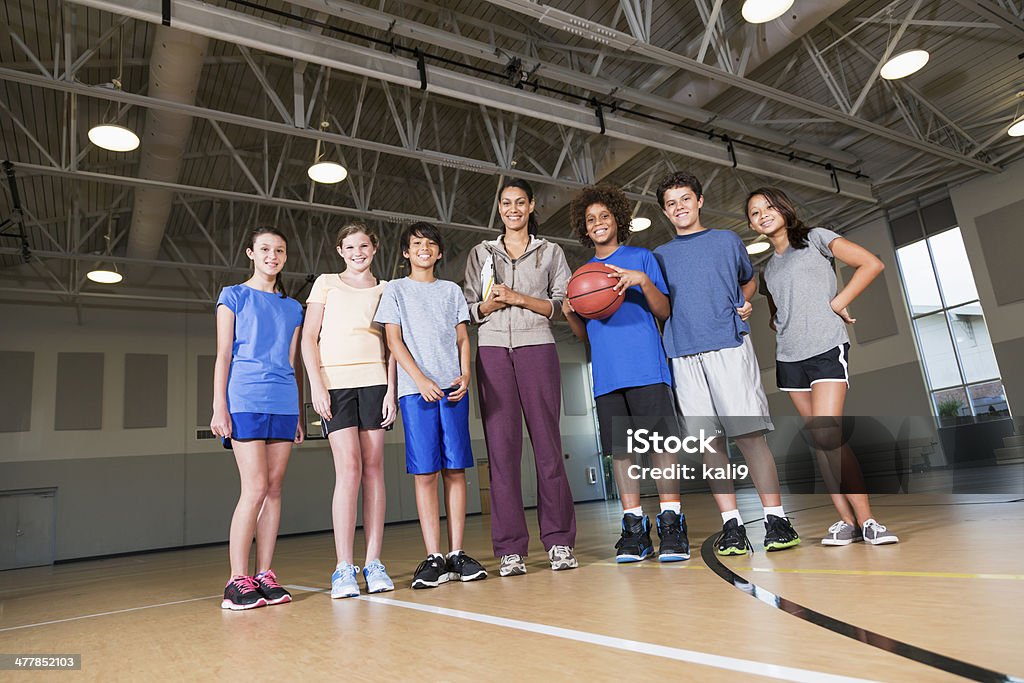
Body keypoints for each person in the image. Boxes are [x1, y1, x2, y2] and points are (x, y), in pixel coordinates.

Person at [653, 171, 800, 556]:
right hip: (683, 354)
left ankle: (777, 520)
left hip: (728, 348)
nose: (679, 207)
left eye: (685, 199)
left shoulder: (726, 241)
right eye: (671, 203)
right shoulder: (660, 257)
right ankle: (731, 526)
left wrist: (746, 302)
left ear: (699, 201)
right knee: (710, 443)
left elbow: (748, 281)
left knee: (749, 437)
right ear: (666, 212)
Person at [746, 187, 898, 546]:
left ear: (784, 207)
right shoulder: (768, 269)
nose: (763, 214)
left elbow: (871, 263)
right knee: (819, 440)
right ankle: (846, 522)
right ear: (751, 224)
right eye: (754, 212)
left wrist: (837, 303)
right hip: (789, 358)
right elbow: (777, 316)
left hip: (827, 349)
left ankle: (869, 520)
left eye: (768, 206)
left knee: (830, 435)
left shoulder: (816, 238)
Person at [563, 184, 689, 563]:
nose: (598, 223)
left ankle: (671, 524)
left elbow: (664, 312)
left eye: (604, 216)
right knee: (622, 453)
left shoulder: (642, 258)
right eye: (590, 220)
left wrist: (642, 281)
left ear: (618, 220)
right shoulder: (581, 275)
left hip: (648, 369)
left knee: (660, 448)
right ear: (584, 230)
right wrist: (571, 313)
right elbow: (585, 335)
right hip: (606, 376)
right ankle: (634, 529)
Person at [463, 178, 578, 576]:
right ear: (499, 209)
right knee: (502, 452)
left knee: (548, 447)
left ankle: (559, 541)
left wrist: (518, 299)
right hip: (492, 349)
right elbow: (468, 308)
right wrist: (488, 305)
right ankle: (511, 549)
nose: (513, 209)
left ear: (531, 207)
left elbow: (562, 306)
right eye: (506, 203)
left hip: (538, 348)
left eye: (520, 202)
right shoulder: (482, 253)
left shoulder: (550, 252)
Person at [374, 222, 488, 588]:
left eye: (431, 244)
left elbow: (462, 338)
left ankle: (456, 552)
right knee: (425, 472)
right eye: (416, 244)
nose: (424, 248)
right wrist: (420, 380)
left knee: (455, 470)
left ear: (439, 253)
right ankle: (434, 556)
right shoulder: (395, 290)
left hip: (453, 388)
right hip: (415, 391)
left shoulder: (452, 291)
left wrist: (466, 374)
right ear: (406, 252)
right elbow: (393, 340)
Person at [302, 223, 399, 599]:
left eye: (363, 245)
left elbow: (392, 344)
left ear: (374, 248)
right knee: (349, 469)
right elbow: (310, 336)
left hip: (375, 382)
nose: (357, 252)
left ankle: (374, 562)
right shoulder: (326, 283)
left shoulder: (386, 289)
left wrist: (391, 390)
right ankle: (344, 567)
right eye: (349, 246)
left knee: (374, 470)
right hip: (335, 385)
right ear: (340, 251)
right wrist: (316, 386)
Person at [210, 226, 305, 610]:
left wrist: (299, 411)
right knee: (254, 487)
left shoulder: (293, 307)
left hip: (283, 400)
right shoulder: (232, 296)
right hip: (245, 397)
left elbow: (292, 362)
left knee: (275, 489)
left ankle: (265, 574)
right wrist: (220, 405)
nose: (272, 256)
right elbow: (223, 356)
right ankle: (236, 580)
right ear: (250, 252)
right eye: (264, 249)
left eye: (279, 250)